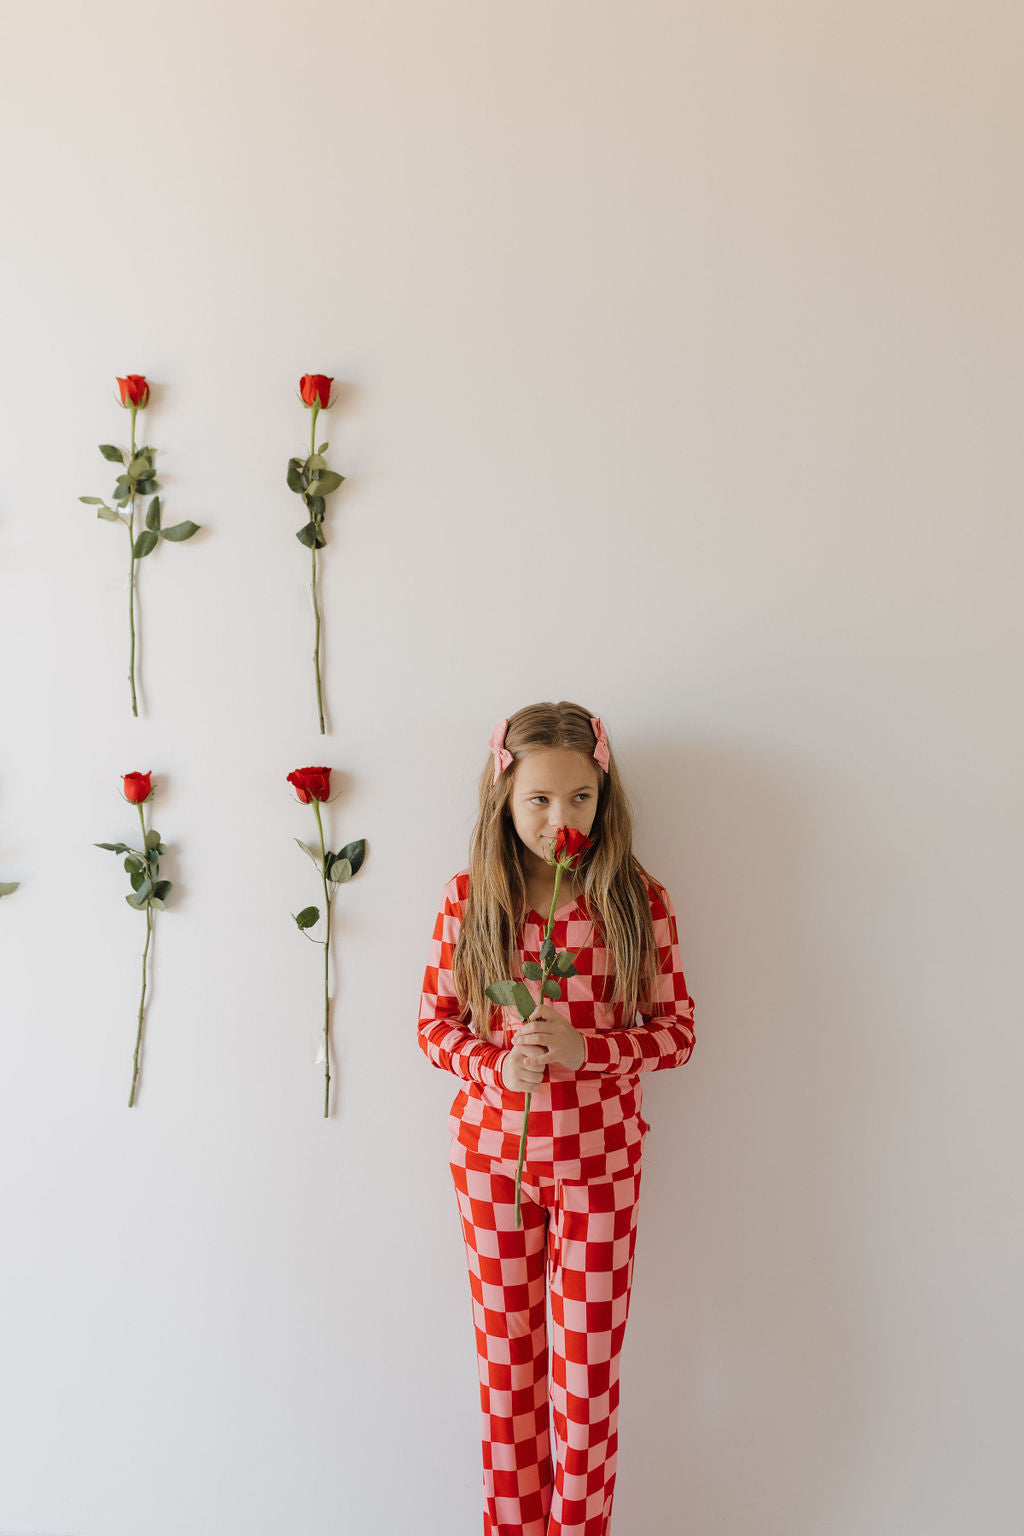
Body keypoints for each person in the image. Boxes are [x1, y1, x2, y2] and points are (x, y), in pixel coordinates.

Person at [417, 700, 695, 1536]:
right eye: (538, 799)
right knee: (509, 1380)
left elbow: (678, 1032)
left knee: (586, 1384)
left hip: (600, 1168)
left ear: (604, 796)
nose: (559, 818)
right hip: (492, 1168)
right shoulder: (472, 899)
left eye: (580, 797)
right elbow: (435, 1025)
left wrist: (590, 1051)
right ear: (503, 796)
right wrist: (495, 1064)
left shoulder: (638, 901)